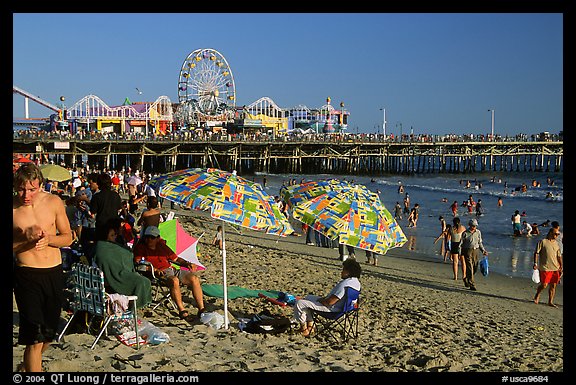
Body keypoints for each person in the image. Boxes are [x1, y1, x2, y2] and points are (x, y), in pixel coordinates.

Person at [12, 163, 74, 372]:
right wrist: (26, 241)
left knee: (48, 334)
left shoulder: (54, 202)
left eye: (32, 189)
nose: (26, 194)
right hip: (26, 274)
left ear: (40, 185)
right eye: (21, 189)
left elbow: (68, 237)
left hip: (54, 272)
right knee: (34, 338)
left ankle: (26, 365)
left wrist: (49, 240)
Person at [133, 226, 205, 319]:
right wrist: (153, 269)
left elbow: (175, 259)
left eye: (152, 237)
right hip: (157, 274)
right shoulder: (140, 248)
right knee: (174, 280)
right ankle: (182, 310)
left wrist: (186, 264)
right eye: (147, 237)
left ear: (158, 238)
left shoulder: (162, 246)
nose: (149, 239)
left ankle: (201, 309)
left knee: (194, 278)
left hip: (171, 269)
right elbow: (138, 265)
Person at [293, 258, 362, 337]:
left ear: (348, 272)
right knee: (309, 297)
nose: (341, 272)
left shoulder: (345, 284)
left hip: (333, 310)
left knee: (300, 303)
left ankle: (304, 329)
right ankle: (310, 326)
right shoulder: (356, 283)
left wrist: (321, 300)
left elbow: (330, 302)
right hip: (346, 309)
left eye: (343, 270)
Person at [93, 218, 152, 308]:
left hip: (108, 276)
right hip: (115, 278)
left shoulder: (101, 246)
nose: (115, 237)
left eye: (115, 234)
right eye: (112, 235)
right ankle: (136, 305)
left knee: (143, 281)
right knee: (142, 282)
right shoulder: (105, 248)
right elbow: (118, 259)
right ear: (106, 236)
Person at [533, 228, 563, 308]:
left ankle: (550, 301)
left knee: (553, 285)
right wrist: (535, 263)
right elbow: (536, 253)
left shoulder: (556, 243)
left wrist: (561, 266)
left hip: (555, 267)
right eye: (555, 234)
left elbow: (559, 256)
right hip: (545, 267)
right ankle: (537, 294)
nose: (556, 236)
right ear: (550, 233)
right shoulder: (543, 242)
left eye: (557, 234)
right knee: (544, 285)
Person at [89, 172, 122, 243]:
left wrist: (86, 200)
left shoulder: (97, 196)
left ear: (99, 184)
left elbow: (93, 211)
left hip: (102, 226)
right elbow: (119, 208)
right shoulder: (116, 195)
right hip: (114, 224)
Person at [460, 218, 488, 291]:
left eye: (475, 226)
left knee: (475, 267)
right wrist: (460, 252)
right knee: (470, 267)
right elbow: (461, 243)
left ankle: (466, 278)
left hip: (476, 250)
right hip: (467, 250)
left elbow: (480, 242)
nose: (474, 227)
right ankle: (472, 284)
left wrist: (483, 250)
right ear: (470, 225)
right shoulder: (465, 233)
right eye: (473, 226)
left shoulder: (478, 232)